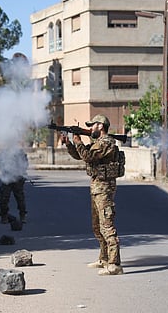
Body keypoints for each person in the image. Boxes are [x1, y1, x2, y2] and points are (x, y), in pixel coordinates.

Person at [61, 114, 124, 275]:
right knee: (97, 226)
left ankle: (114, 264)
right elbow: (81, 155)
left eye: (93, 126)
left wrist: (78, 140)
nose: (90, 129)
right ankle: (104, 258)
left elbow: (88, 156)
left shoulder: (106, 143)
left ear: (100, 126)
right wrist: (69, 144)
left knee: (107, 225)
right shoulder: (97, 143)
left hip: (104, 188)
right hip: (97, 187)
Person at [0, 147, 29, 224]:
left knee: (20, 198)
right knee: (4, 198)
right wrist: (5, 169)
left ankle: (22, 216)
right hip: (7, 178)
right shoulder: (4, 152)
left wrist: (19, 171)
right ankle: (4, 216)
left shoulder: (20, 152)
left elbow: (25, 164)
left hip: (18, 178)